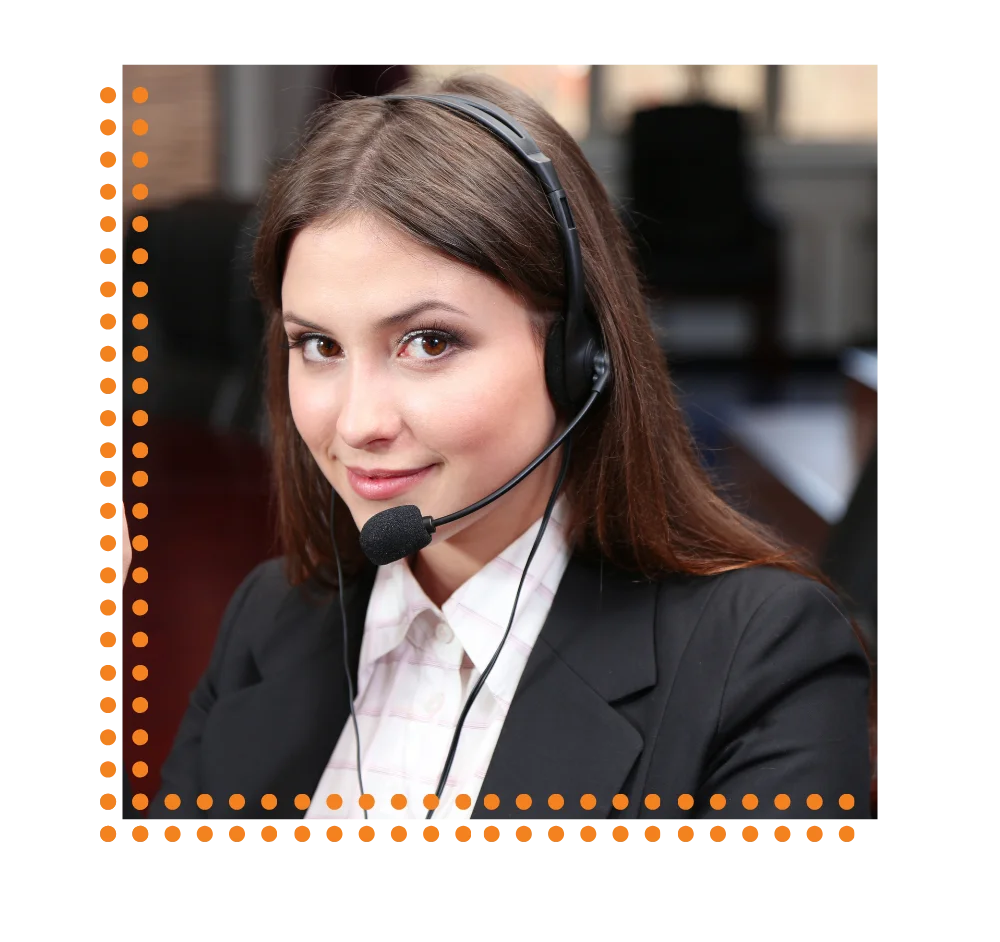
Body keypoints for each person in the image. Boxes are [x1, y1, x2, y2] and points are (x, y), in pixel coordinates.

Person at [134, 73, 872, 826]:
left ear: (578, 356)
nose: (357, 422)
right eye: (318, 345)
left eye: (428, 342)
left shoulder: (763, 658)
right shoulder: (274, 617)